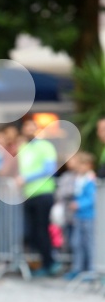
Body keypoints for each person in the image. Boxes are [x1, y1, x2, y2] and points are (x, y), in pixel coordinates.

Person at [17, 117, 60, 277]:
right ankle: (44, 262)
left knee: (42, 230)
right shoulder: (23, 147)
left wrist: (26, 178)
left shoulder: (45, 146)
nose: (29, 130)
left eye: (32, 127)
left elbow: (49, 168)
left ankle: (51, 263)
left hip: (43, 193)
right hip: (28, 195)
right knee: (32, 232)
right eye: (26, 127)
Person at [64, 151, 97, 280]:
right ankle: (78, 268)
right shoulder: (78, 178)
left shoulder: (91, 180)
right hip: (78, 216)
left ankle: (91, 269)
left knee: (89, 243)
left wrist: (79, 204)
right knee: (76, 242)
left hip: (89, 215)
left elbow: (92, 198)